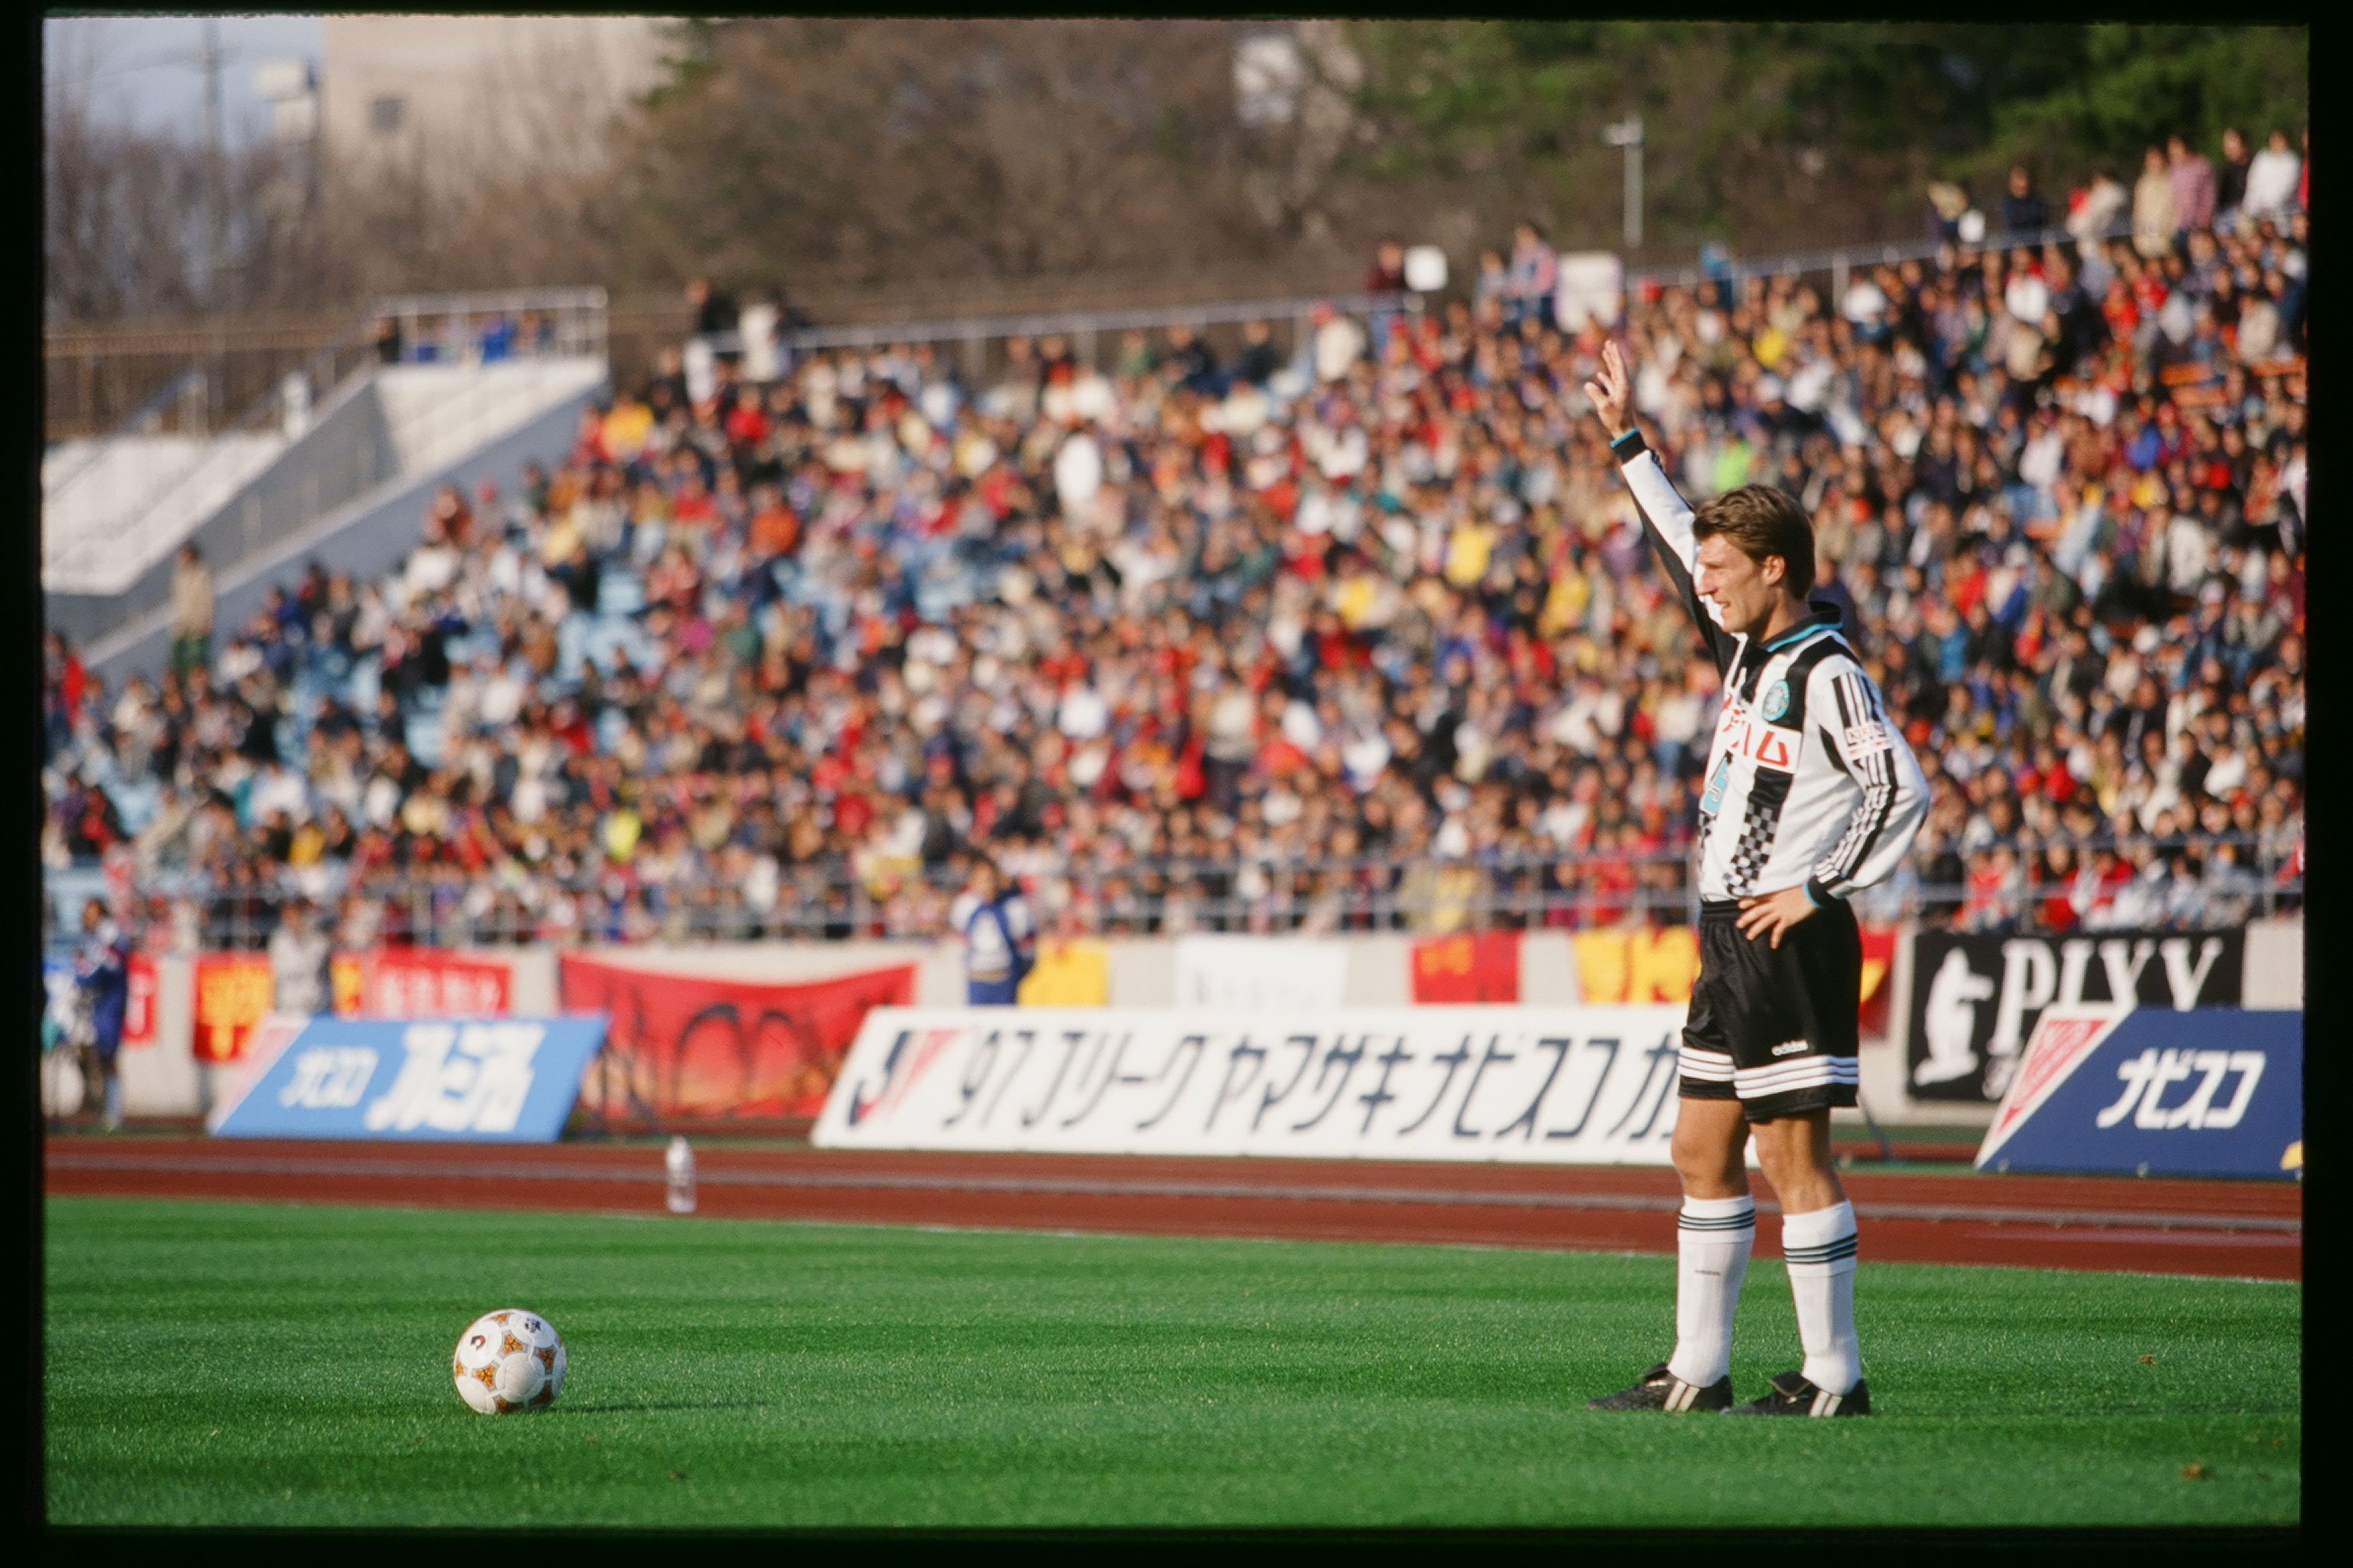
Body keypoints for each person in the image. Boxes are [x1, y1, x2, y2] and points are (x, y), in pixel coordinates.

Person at [1580, 341, 1928, 1419]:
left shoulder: (1827, 672)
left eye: (1725, 571)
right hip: (1726, 934)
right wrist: (1626, 439)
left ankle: (1835, 1376)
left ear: (1776, 568)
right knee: (1698, 1146)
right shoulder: (1748, 654)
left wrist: (1821, 887)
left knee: (1791, 1155)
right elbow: (1681, 536)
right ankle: (1699, 1369)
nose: (1706, 582)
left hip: (1788, 934)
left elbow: (1900, 791)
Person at [73, 899, 131, 1132]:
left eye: (93, 913)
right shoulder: (93, 938)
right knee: (94, 1053)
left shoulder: (110, 936)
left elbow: (108, 968)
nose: (89, 918)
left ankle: (114, 1111)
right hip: (98, 1004)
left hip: (109, 1003)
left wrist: (84, 979)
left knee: (108, 1056)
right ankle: (103, 1106)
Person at [948, 855, 1035, 1006]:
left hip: (1005, 979)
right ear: (972, 882)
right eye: (981, 880)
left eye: (990, 879)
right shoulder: (965, 906)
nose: (987, 885)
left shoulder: (1014, 907)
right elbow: (959, 940)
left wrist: (1019, 971)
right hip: (977, 979)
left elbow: (1027, 944)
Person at [268, 897, 334, 1017]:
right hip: (287, 1003)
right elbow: (278, 973)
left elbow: (313, 967)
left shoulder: (318, 940)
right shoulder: (279, 939)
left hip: (313, 1004)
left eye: (294, 915)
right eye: (286, 915)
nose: (290, 919)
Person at [170, 543, 214, 680]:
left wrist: (206, 620)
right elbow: (178, 599)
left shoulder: (201, 572)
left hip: (199, 621)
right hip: (183, 621)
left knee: (197, 657)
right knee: (177, 657)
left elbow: (207, 598)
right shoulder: (179, 575)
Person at [1998, 165, 2048, 238]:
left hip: (2037, 238)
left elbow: (2042, 220)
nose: (2023, 184)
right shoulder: (2007, 204)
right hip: (2016, 240)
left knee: (2051, 247)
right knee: (2020, 248)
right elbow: (2012, 226)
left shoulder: (2037, 200)